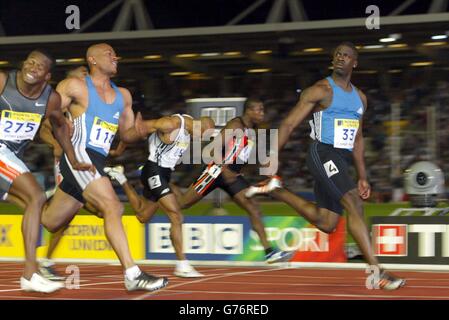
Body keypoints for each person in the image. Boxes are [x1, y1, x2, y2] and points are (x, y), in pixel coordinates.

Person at [251, 42, 405, 290]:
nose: (340, 58)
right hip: (320, 151)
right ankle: (378, 271)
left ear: (354, 63)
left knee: (327, 222)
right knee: (353, 202)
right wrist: (272, 156)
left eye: (346, 56)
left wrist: (363, 176)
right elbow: (289, 124)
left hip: (340, 160)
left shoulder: (360, 99)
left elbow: (357, 140)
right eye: (337, 55)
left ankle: (277, 189)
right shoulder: (321, 90)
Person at [39, 43, 168, 292]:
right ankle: (132, 273)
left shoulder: (124, 96)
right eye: (110, 54)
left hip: (98, 159)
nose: (115, 57)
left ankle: (34, 198)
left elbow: (127, 134)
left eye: (116, 54)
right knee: (113, 206)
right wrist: (62, 129)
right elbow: (48, 113)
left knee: (50, 221)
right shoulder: (75, 86)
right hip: (78, 155)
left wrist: (144, 129)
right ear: (93, 59)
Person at [0, 50, 94, 293]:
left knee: (34, 205)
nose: (33, 66)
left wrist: (73, 159)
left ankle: (33, 271)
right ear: (22, 64)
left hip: (12, 155)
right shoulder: (2, 81)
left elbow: (60, 128)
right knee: (37, 197)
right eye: (30, 61)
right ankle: (30, 274)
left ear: (47, 75)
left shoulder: (50, 99)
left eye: (40, 66)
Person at [170, 98, 294, 264]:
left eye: (263, 110)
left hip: (233, 177)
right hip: (215, 172)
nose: (262, 114)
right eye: (259, 110)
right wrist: (225, 169)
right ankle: (166, 186)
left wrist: (264, 168)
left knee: (254, 208)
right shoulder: (235, 125)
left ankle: (269, 252)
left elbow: (245, 154)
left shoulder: (254, 130)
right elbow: (210, 150)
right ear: (249, 111)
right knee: (183, 204)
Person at [105, 113, 214, 277]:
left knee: (143, 216)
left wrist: (120, 149)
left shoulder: (191, 128)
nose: (204, 139)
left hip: (164, 174)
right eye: (205, 135)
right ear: (202, 127)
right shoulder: (172, 124)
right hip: (153, 171)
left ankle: (121, 178)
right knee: (176, 215)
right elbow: (140, 128)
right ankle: (182, 264)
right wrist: (123, 143)